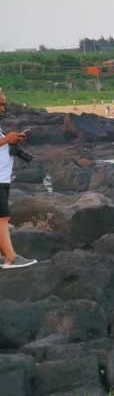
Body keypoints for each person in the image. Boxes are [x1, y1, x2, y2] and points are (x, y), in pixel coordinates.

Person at [0, 93, 39, 269]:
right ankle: (10, 258)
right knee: (2, 218)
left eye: (3, 104)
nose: (3, 108)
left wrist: (10, 141)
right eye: (0, 104)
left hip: (3, 178)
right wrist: (6, 140)